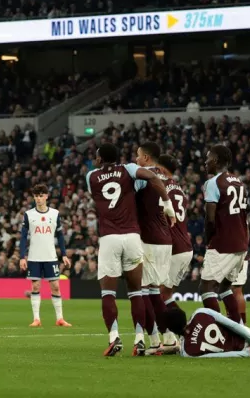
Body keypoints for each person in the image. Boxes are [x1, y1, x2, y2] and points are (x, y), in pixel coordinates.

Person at [86, 143, 175, 357]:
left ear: (99, 160)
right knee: (136, 292)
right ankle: (139, 339)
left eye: (96, 157)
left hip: (109, 238)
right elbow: (153, 178)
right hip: (133, 237)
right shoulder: (128, 169)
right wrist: (167, 203)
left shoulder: (91, 177)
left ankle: (114, 337)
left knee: (108, 292)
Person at [200, 145, 249, 322]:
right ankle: (239, 330)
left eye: (208, 158)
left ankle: (221, 331)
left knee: (206, 288)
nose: (205, 162)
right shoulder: (239, 182)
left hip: (223, 244)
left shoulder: (213, 183)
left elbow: (210, 218)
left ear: (217, 160)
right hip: (241, 243)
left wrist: (208, 240)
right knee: (225, 288)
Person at [134, 142, 172, 354]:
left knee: (143, 292)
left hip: (149, 239)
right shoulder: (166, 176)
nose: (136, 159)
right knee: (155, 291)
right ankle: (167, 337)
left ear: (147, 158)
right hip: (165, 239)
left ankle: (156, 340)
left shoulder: (143, 176)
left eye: (138, 155)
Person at [19, 184, 71, 327]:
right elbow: (23, 237)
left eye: (41, 196)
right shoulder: (29, 214)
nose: (38, 199)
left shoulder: (54, 214)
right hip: (34, 257)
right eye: (36, 196)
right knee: (35, 286)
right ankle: (36, 319)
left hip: (51, 257)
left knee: (55, 286)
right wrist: (22, 257)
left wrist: (64, 254)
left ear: (46, 196)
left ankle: (60, 318)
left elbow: (60, 235)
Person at [156, 154, 192, 354]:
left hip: (174, 248)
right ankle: (181, 333)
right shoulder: (179, 189)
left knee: (158, 294)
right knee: (166, 295)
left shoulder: (160, 188)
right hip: (184, 247)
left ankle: (174, 336)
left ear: (161, 169)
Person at [161, 307, 250, 358]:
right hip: (242, 339)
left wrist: (243, 354)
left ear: (172, 330)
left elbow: (216, 357)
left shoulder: (187, 352)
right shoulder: (201, 313)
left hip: (238, 350)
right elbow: (231, 324)